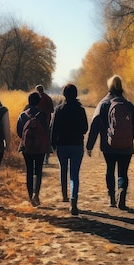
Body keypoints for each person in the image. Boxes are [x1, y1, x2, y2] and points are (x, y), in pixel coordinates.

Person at [86, 75, 134, 210]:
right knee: (123, 172)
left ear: (109, 87)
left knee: (110, 169)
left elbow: (94, 126)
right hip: (126, 146)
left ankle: (112, 198)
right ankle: (122, 190)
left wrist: (89, 146)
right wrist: (130, 134)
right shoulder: (128, 104)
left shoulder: (103, 104)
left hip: (108, 145)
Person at [50, 83, 89, 216]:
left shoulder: (59, 109)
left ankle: (64, 195)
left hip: (62, 145)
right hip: (77, 145)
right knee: (74, 174)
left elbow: (53, 128)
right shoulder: (80, 110)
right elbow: (85, 128)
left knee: (63, 169)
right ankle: (73, 200)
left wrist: (52, 144)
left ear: (64, 95)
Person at [17, 91, 50, 206]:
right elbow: (46, 130)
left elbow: (19, 132)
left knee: (29, 171)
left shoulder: (22, 115)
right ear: (38, 102)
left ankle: (30, 196)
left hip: (27, 148)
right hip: (40, 147)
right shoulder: (43, 115)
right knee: (38, 170)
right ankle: (37, 194)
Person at [36, 84, 54, 163]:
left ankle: (38, 157)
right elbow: (52, 110)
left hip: (36, 122)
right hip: (47, 122)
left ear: (37, 90)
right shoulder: (48, 98)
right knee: (46, 139)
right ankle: (46, 158)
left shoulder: (36, 99)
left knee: (37, 139)